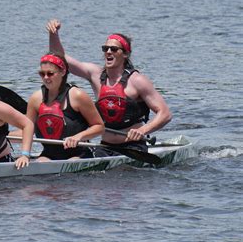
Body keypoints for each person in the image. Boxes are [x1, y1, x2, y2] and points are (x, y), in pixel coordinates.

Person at [46, 19, 172, 155]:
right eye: (105, 49)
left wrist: (143, 130)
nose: (108, 52)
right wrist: (54, 34)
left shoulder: (137, 81)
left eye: (114, 49)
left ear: (125, 54)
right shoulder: (95, 74)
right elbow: (59, 58)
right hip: (105, 147)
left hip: (134, 147)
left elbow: (165, 114)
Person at [11, 53, 105, 161]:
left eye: (50, 73)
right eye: (42, 74)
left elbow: (99, 127)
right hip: (49, 153)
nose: (46, 78)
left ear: (63, 72)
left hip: (79, 153)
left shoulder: (77, 96)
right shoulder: (35, 99)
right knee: (41, 163)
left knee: (72, 162)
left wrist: (78, 137)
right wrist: (2, 136)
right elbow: (27, 131)